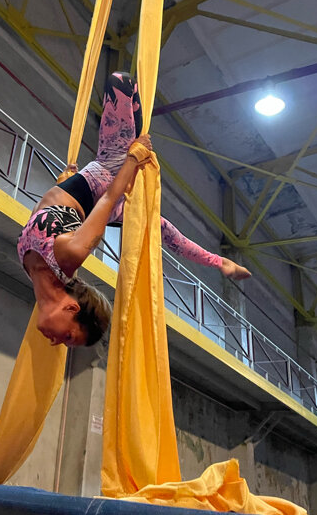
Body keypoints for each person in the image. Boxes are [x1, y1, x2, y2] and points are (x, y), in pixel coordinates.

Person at [17, 73, 251, 349]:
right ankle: (220, 262)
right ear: (71, 309)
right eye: (68, 337)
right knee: (120, 81)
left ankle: (220, 263)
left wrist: (63, 182)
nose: (56, 343)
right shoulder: (68, 258)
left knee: (159, 228)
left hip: (89, 195)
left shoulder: (34, 272)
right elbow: (107, 201)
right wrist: (133, 158)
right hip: (109, 174)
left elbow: (41, 216)